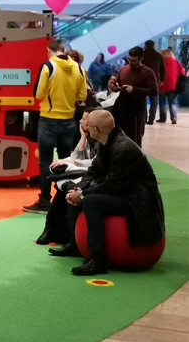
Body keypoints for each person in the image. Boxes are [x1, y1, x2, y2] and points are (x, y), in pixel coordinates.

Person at [49, 110, 165, 275]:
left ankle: (98, 259)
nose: (84, 127)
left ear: (95, 129)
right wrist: (78, 189)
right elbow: (93, 171)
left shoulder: (123, 148)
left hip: (138, 202)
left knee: (90, 201)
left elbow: (113, 186)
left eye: (87, 125)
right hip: (126, 194)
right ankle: (74, 242)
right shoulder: (106, 142)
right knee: (76, 192)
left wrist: (82, 195)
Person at [23, 39, 88, 214]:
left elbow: (38, 94)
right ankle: (65, 201)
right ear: (64, 50)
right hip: (69, 120)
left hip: (48, 120)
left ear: (49, 50)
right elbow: (82, 95)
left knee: (45, 162)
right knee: (66, 161)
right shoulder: (79, 68)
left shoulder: (48, 66)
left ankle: (45, 201)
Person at [36, 108, 99, 245]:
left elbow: (95, 162)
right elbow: (77, 156)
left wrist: (72, 161)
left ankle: (71, 238)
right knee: (63, 187)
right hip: (88, 176)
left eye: (84, 119)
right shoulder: (88, 137)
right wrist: (83, 137)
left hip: (96, 180)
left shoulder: (101, 139)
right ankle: (50, 229)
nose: (80, 121)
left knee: (69, 187)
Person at [108, 47, 158, 148]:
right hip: (122, 106)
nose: (130, 62)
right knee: (119, 134)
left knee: (135, 136)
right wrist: (114, 87)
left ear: (140, 59)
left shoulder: (147, 72)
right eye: (129, 59)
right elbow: (119, 86)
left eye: (134, 61)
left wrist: (134, 89)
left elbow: (154, 91)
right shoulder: (123, 69)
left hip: (137, 108)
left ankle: (135, 158)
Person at [141, 40, 166, 125]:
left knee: (142, 99)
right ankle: (151, 118)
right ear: (154, 46)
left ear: (146, 46)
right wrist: (162, 80)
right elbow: (163, 69)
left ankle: (143, 118)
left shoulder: (142, 55)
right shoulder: (158, 56)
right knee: (154, 100)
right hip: (155, 80)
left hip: (143, 80)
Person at [157, 48, 185, 124]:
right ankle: (174, 118)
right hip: (173, 85)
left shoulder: (159, 63)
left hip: (161, 85)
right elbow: (183, 73)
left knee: (162, 102)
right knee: (172, 102)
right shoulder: (177, 63)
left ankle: (162, 118)